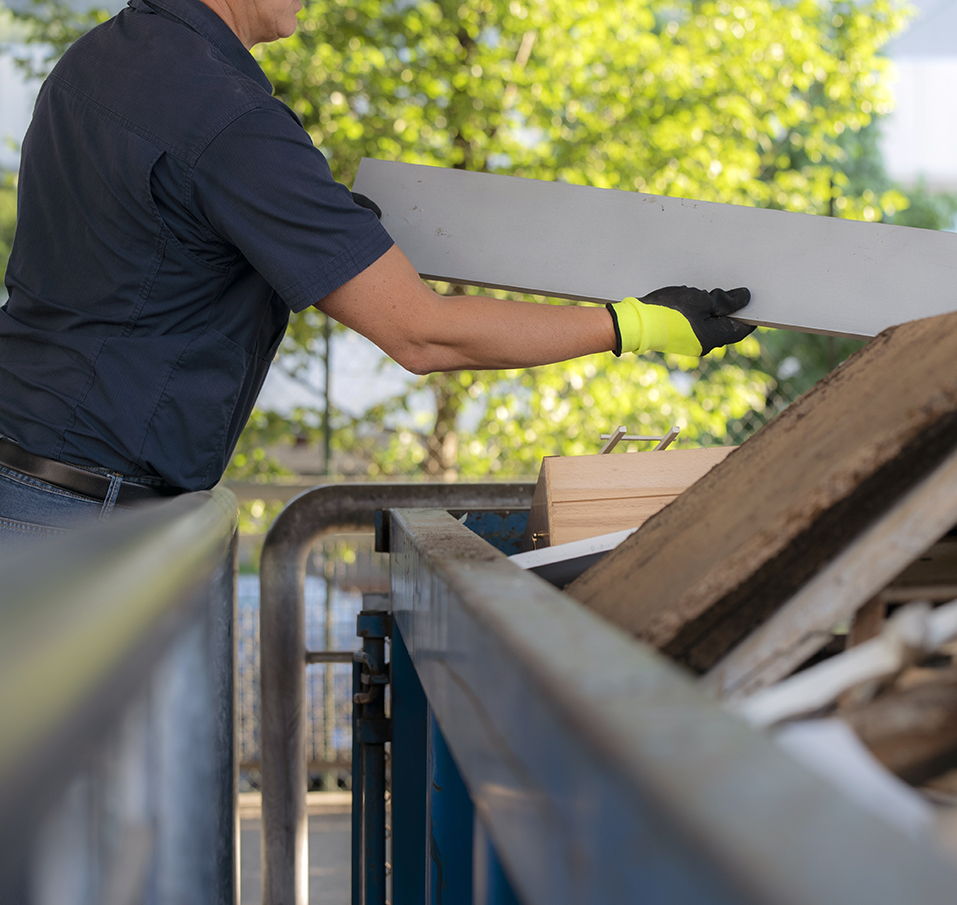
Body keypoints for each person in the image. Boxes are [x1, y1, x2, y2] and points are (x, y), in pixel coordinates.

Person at [0, 0, 754, 544]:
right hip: (84, 519)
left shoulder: (94, 64)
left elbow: (146, 259)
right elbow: (423, 336)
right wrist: (638, 323)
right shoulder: (230, 121)